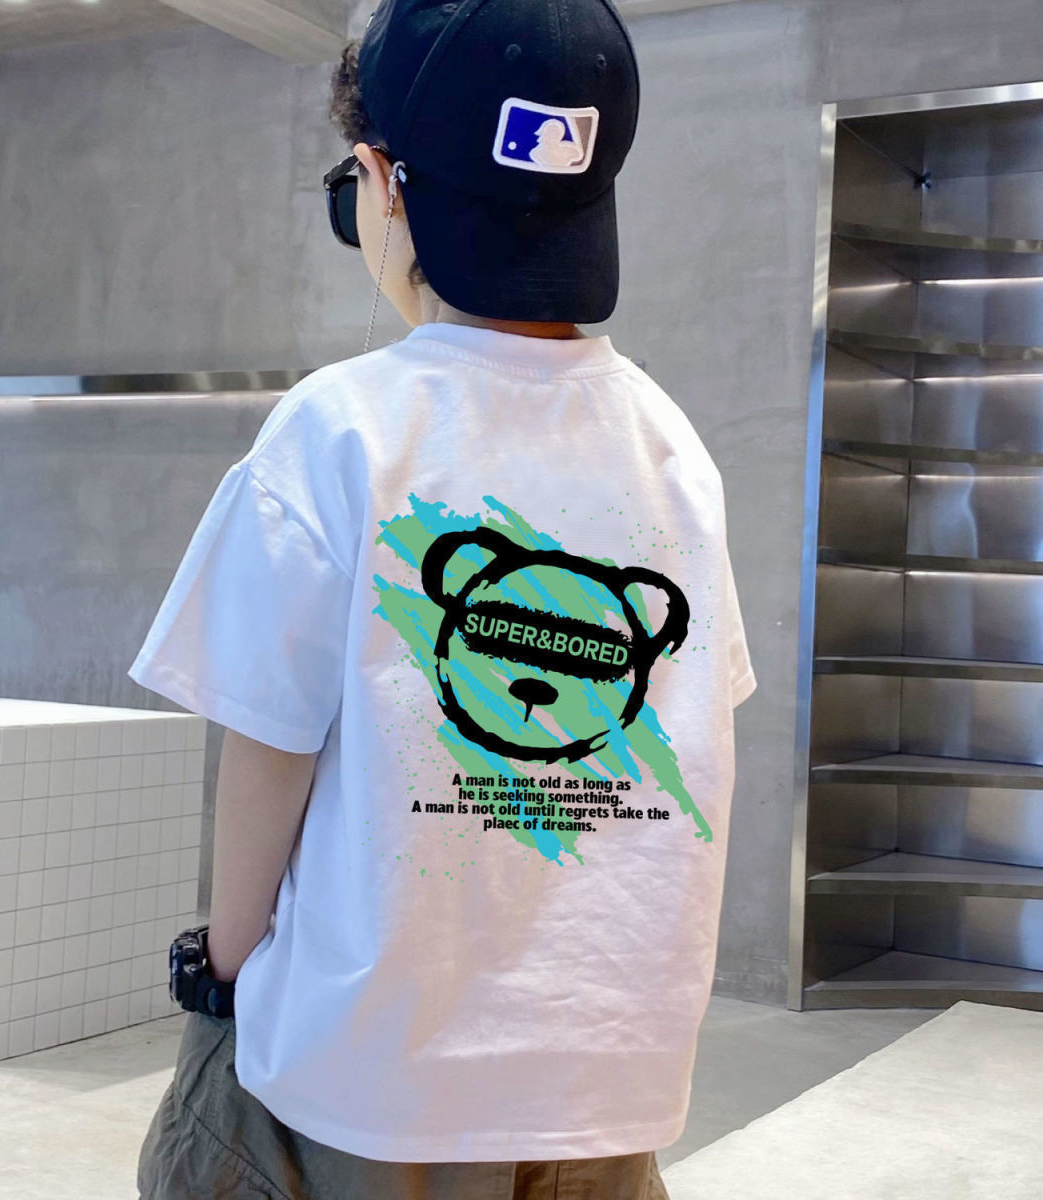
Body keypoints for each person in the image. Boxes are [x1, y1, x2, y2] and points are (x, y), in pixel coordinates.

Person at [128, 0, 757, 1197]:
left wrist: (226, 965)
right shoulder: (673, 448)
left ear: (379, 181)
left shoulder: (341, 429)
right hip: (604, 1089)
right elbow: (685, 741)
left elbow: (268, 751)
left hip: (372, 1079)